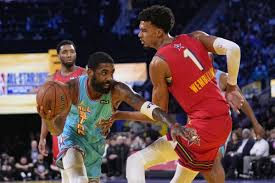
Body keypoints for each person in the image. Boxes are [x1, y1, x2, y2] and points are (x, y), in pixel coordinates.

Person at [111, 5, 244, 183]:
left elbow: (157, 114)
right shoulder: (195, 37)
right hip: (224, 123)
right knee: (181, 179)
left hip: (201, 130)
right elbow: (233, 48)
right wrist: (232, 86)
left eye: (144, 30)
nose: (139, 34)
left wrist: (119, 114)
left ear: (158, 32)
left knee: (135, 161)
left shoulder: (158, 63)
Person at [37, 52, 194, 183]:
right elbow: (57, 130)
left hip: (96, 144)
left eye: (112, 72)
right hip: (73, 136)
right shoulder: (72, 88)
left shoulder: (118, 90)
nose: (109, 78)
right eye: (104, 73)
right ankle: (77, 178)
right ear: (90, 72)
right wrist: (49, 119)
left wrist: (172, 124)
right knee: (77, 174)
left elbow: (150, 110)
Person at [38, 40, 85, 179]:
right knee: (66, 176)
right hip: (59, 134)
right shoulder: (51, 80)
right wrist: (42, 138)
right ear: (58, 55)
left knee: (80, 174)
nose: (69, 54)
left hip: (81, 131)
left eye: (72, 51)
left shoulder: (85, 74)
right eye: (65, 52)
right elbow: (45, 113)